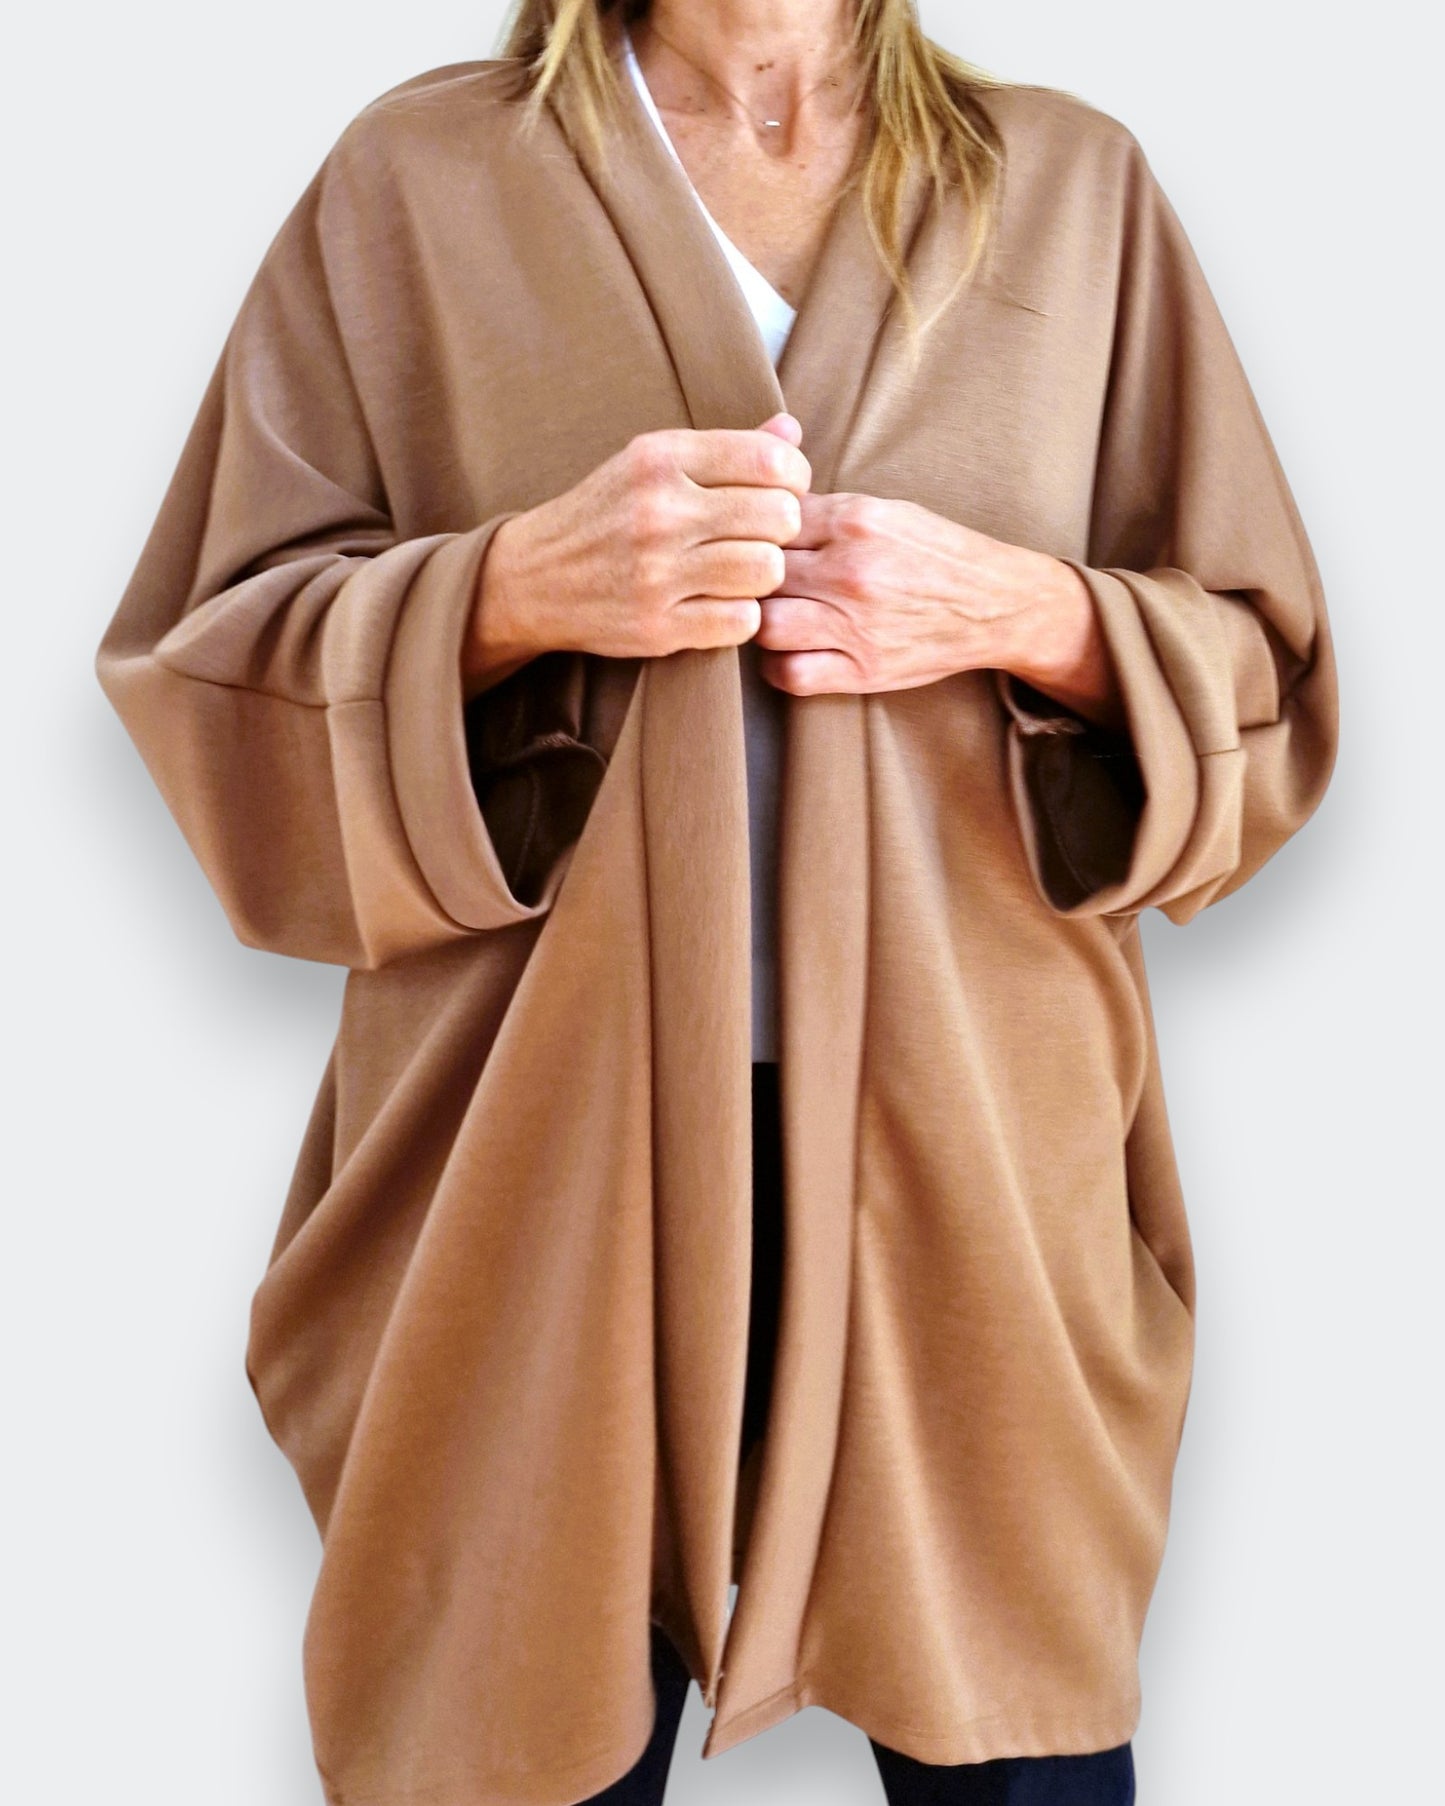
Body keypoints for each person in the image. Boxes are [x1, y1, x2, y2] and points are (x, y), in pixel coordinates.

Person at [93, 2, 1339, 1803]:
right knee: (508, 1741)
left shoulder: (1072, 192)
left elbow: (1267, 681)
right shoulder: (419, 182)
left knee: (1017, 1743)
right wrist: (507, 590)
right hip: (531, 1164)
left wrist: (1027, 613)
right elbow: (206, 666)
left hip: (977, 1168)